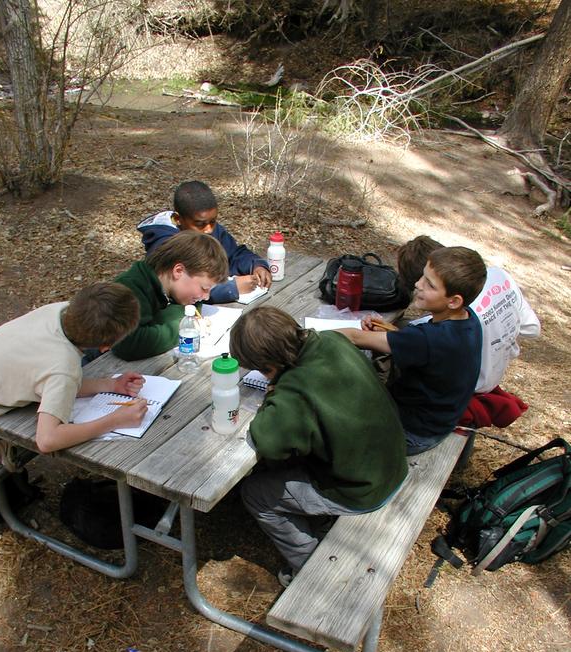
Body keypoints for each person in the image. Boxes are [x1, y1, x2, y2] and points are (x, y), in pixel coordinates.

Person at [230, 307, 407, 586]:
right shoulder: (331, 340)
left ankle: (309, 567)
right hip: (393, 462)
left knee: (255, 493)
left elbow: (268, 442)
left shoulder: (294, 389)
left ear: (268, 367)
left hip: (361, 489)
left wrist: (271, 398)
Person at [0, 283, 147, 460]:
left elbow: (52, 376)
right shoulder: (63, 367)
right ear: (105, 347)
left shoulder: (59, 311)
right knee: (22, 444)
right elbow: (47, 440)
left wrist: (111, 385)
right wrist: (115, 420)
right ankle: (7, 459)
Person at [340, 247, 486, 455]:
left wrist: (307, 334)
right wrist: (390, 331)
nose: (418, 284)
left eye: (430, 284)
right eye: (423, 277)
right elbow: (425, 347)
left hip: (410, 433)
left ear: (454, 301)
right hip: (437, 422)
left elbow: (355, 337)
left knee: (332, 414)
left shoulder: (428, 339)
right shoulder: (468, 319)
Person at [395, 235, 541, 393]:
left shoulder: (428, 329)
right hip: (490, 381)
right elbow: (532, 329)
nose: (419, 285)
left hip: (464, 390)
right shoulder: (499, 276)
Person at [137, 180, 272, 303]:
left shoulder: (207, 230)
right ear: (178, 219)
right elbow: (181, 290)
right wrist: (232, 288)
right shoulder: (166, 246)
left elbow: (234, 254)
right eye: (200, 224)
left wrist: (256, 265)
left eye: (213, 221)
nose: (209, 229)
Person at [112, 229, 228, 360]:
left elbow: (192, 308)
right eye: (204, 288)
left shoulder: (175, 289)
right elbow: (127, 344)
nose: (206, 297)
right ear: (178, 271)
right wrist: (187, 328)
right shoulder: (131, 288)